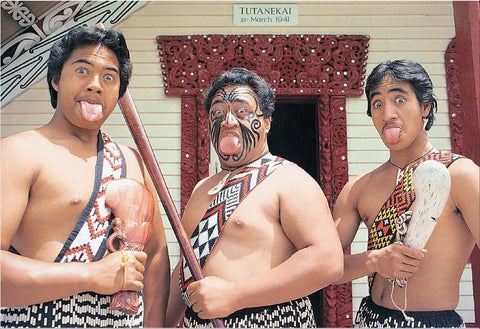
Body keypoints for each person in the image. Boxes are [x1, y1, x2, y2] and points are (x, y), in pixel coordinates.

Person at [0, 26, 170, 328]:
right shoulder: (18, 153)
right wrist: (92, 276)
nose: (95, 85)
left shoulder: (132, 160)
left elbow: (156, 258)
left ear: (119, 91)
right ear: (55, 79)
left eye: (109, 77)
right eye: (82, 70)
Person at [165, 67, 344, 327]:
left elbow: (327, 261)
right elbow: (185, 268)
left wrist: (236, 296)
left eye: (241, 111)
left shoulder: (290, 180)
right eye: (217, 113)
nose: (227, 121)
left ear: (267, 121)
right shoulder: (202, 188)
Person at [334, 59, 479, 327]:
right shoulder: (358, 188)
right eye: (377, 103)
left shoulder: (460, 175)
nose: (387, 113)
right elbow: (325, 268)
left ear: (425, 107)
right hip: (368, 319)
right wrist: (374, 261)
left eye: (399, 99)